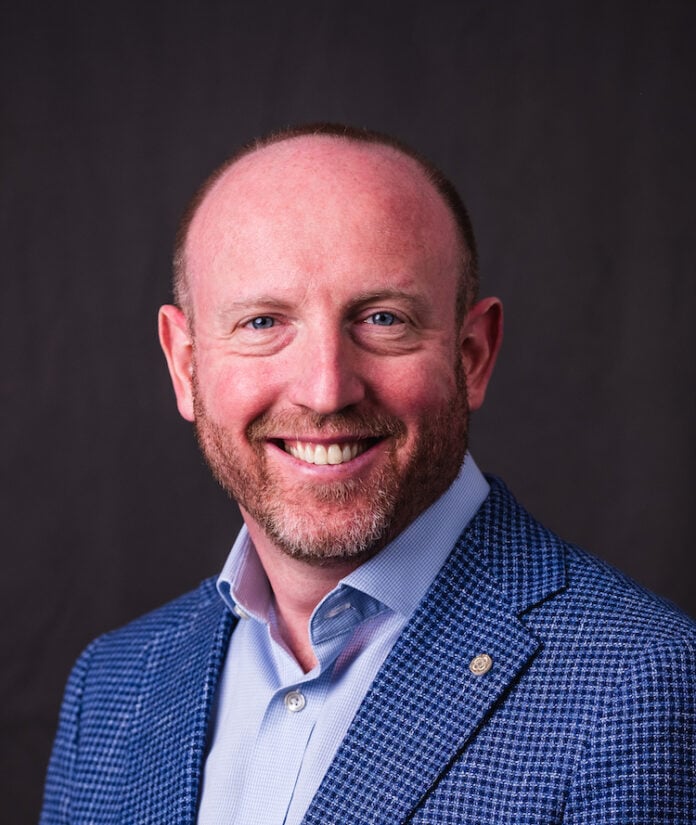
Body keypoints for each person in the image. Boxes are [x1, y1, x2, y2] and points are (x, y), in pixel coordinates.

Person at [40, 124, 695, 824]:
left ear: (472, 355)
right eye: (262, 323)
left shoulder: (645, 686)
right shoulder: (111, 687)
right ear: (185, 363)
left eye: (383, 318)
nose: (326, 390)